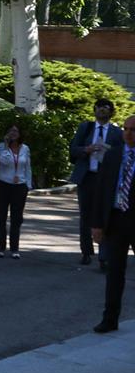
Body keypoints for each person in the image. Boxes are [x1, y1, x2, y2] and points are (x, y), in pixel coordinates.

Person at [91, 115, 135, 333]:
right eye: (126, 129)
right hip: (116, 219)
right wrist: (97, 224)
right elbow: (101, 191)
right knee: (114, 272)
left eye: (133, 130)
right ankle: (109, 319)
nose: (128, 133)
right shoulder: (113, 156)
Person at [70, 99, 121, 269]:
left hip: (106, 180)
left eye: (106, 108)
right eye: (99, 107)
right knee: (85, 216)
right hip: (87, 178)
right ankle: (86, 252)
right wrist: (86, 149)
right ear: (94, 110)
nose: (102, 110)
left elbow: (122, 155)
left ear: (111, 112)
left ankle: (103, 256)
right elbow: (73, 149)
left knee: (104, 216)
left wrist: (109, 153)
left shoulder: (116, 132)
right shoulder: (86, 128)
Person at [0, 124, 33, 259]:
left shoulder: (25, 148)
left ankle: (14, 248)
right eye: (10, 131)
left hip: (20, 186)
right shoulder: (1, 147)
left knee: (16, 218)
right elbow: (3, 161)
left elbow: (27, 167)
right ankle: (0, 247)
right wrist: (6, 145)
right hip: (3, 184)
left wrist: (28, 185)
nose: (13, 133)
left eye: (16, 131)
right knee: (2, 216)